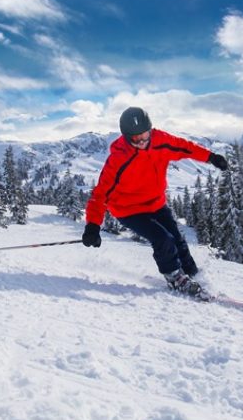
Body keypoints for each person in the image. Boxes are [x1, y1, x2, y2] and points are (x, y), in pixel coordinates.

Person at [82, 106, 228, 297]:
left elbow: (185, 147)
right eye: (136, 139)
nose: (142, 142)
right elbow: (100, 194)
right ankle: (175, 277)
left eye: (145, 135)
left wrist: (210, 157)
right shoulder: (118, 159)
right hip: (128, 210)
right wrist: (92, 226)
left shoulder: (160, 141)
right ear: (127, 137)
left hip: (155, 203)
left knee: (177, 238)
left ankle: (193, 274)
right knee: (162, 239)